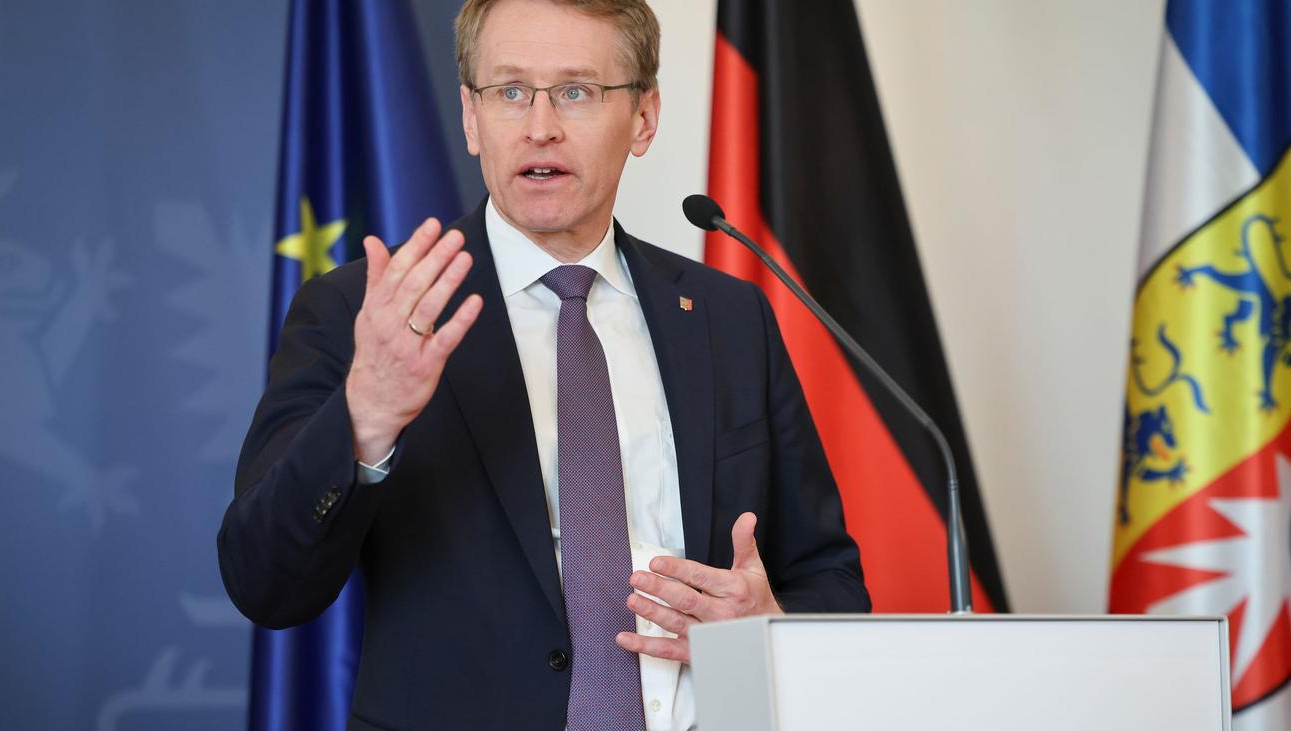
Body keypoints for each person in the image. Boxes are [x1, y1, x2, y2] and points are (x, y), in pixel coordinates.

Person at [217, 0, 870, 729]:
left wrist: (768, 628)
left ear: (644, 117)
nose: (540, 127)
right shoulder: (367, 311)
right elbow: (264, 582)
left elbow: (830, 579)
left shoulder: (729, 317)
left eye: (577, 91)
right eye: (510, 91)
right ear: (471, 117)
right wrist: (365, 417)